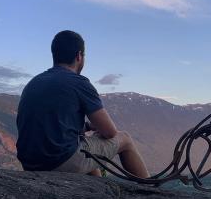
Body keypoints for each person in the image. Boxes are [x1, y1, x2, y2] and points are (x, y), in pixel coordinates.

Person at [16, 30, 149, 178]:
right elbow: (110, 132)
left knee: (83, 148)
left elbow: (51, 124)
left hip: (30, 164)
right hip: (58, 162)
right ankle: (152, 193)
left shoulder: (33, 83)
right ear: (79, 56)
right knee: (124, 139)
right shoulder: (79, 83)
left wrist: (86, 127)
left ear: (55, 55)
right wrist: (100, 130)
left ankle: (100, 193)